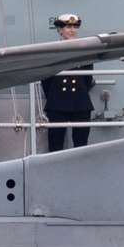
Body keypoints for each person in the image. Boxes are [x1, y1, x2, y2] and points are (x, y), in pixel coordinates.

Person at [40, 14, 94, 151]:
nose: (72, 30)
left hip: (80, 102)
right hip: (57, 102)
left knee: (81, 144)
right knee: (55, 143)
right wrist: (53, 96)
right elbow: (46, 79)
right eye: (68, 26)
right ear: (59, 30)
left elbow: (87, 78)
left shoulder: (85, 51)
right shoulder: (52, 51)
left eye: (75, 27)